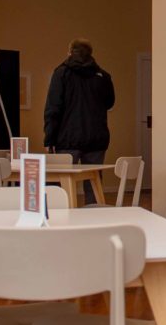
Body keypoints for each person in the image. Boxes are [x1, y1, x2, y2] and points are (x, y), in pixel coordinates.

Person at [43, 38, 115, 205]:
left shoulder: (61, 73)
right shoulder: (103, 76)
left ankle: (63, 215)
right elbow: (110, 103)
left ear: (70, 52)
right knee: (94, 183)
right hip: (96, 138)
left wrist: (49, 139)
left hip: (67, 139)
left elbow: (53, 108)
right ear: (90, 53)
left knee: (62, 183)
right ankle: (93, 215)